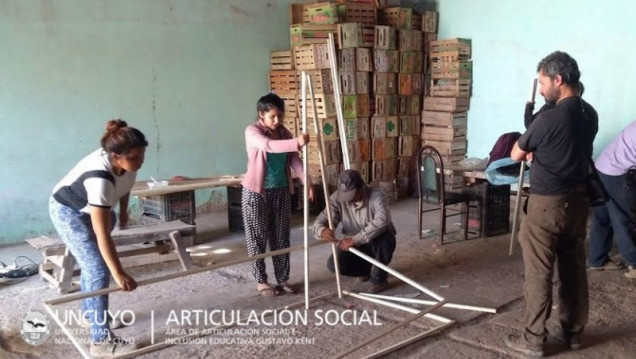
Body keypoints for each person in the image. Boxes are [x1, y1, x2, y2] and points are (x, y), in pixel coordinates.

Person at [506, 51, 598, 357]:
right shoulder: (590, 114)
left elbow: (516, 154)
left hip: (547, 205)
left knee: (538, 272)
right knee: (573, 268)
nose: (542, 89)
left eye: (544, 82)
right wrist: (541, 150)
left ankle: (533, 340)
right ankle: (572, 334)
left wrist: (532, 150)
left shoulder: (548, 118)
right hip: (579, 202)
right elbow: (569, 148)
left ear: (558, 80)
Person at [49, 119, 146, 357]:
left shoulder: (129, 163)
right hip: (68, 212)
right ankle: (100, 342)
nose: (140, 161)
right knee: (97, 269)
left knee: (96, 264)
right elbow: (103, 235)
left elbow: (126, 184)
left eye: (142, 155)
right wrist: (118, 272)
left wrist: (123, 213)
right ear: (115, 157)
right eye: (134, 157)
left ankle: (89, 314)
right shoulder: (99, 178)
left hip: (94, 208)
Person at [242, 92, 314, 297]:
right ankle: (261, 281)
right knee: (257, 238)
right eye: (272, 116)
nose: (277, 120)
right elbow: (268, 146)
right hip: (257, 193)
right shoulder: (252, 131)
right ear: (261, 114)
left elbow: (294, 159)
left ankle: (282, 279)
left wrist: (305, 180)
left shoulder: (284, 132)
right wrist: (297, 142)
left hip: (281, 190)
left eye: (280, 116)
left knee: (281, 237)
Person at [313, 169, 396, 294]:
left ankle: (379, 279)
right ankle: (367, 271)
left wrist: (355, 239)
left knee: (385, 239)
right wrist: (322, 230)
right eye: (345, 195)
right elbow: (322, 219)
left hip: (376, 239)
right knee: (334, 264)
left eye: (352, 195)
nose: (348, 200)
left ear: (362, 187)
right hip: (354, 243)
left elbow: (382, 220)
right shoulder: (336, 198)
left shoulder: (377, 195)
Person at [588, 120, 636, 278]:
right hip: (617, 174)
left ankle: (597, 259)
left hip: (602, 168)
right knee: (624, 218)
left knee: (603, 217)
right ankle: (634, 264)